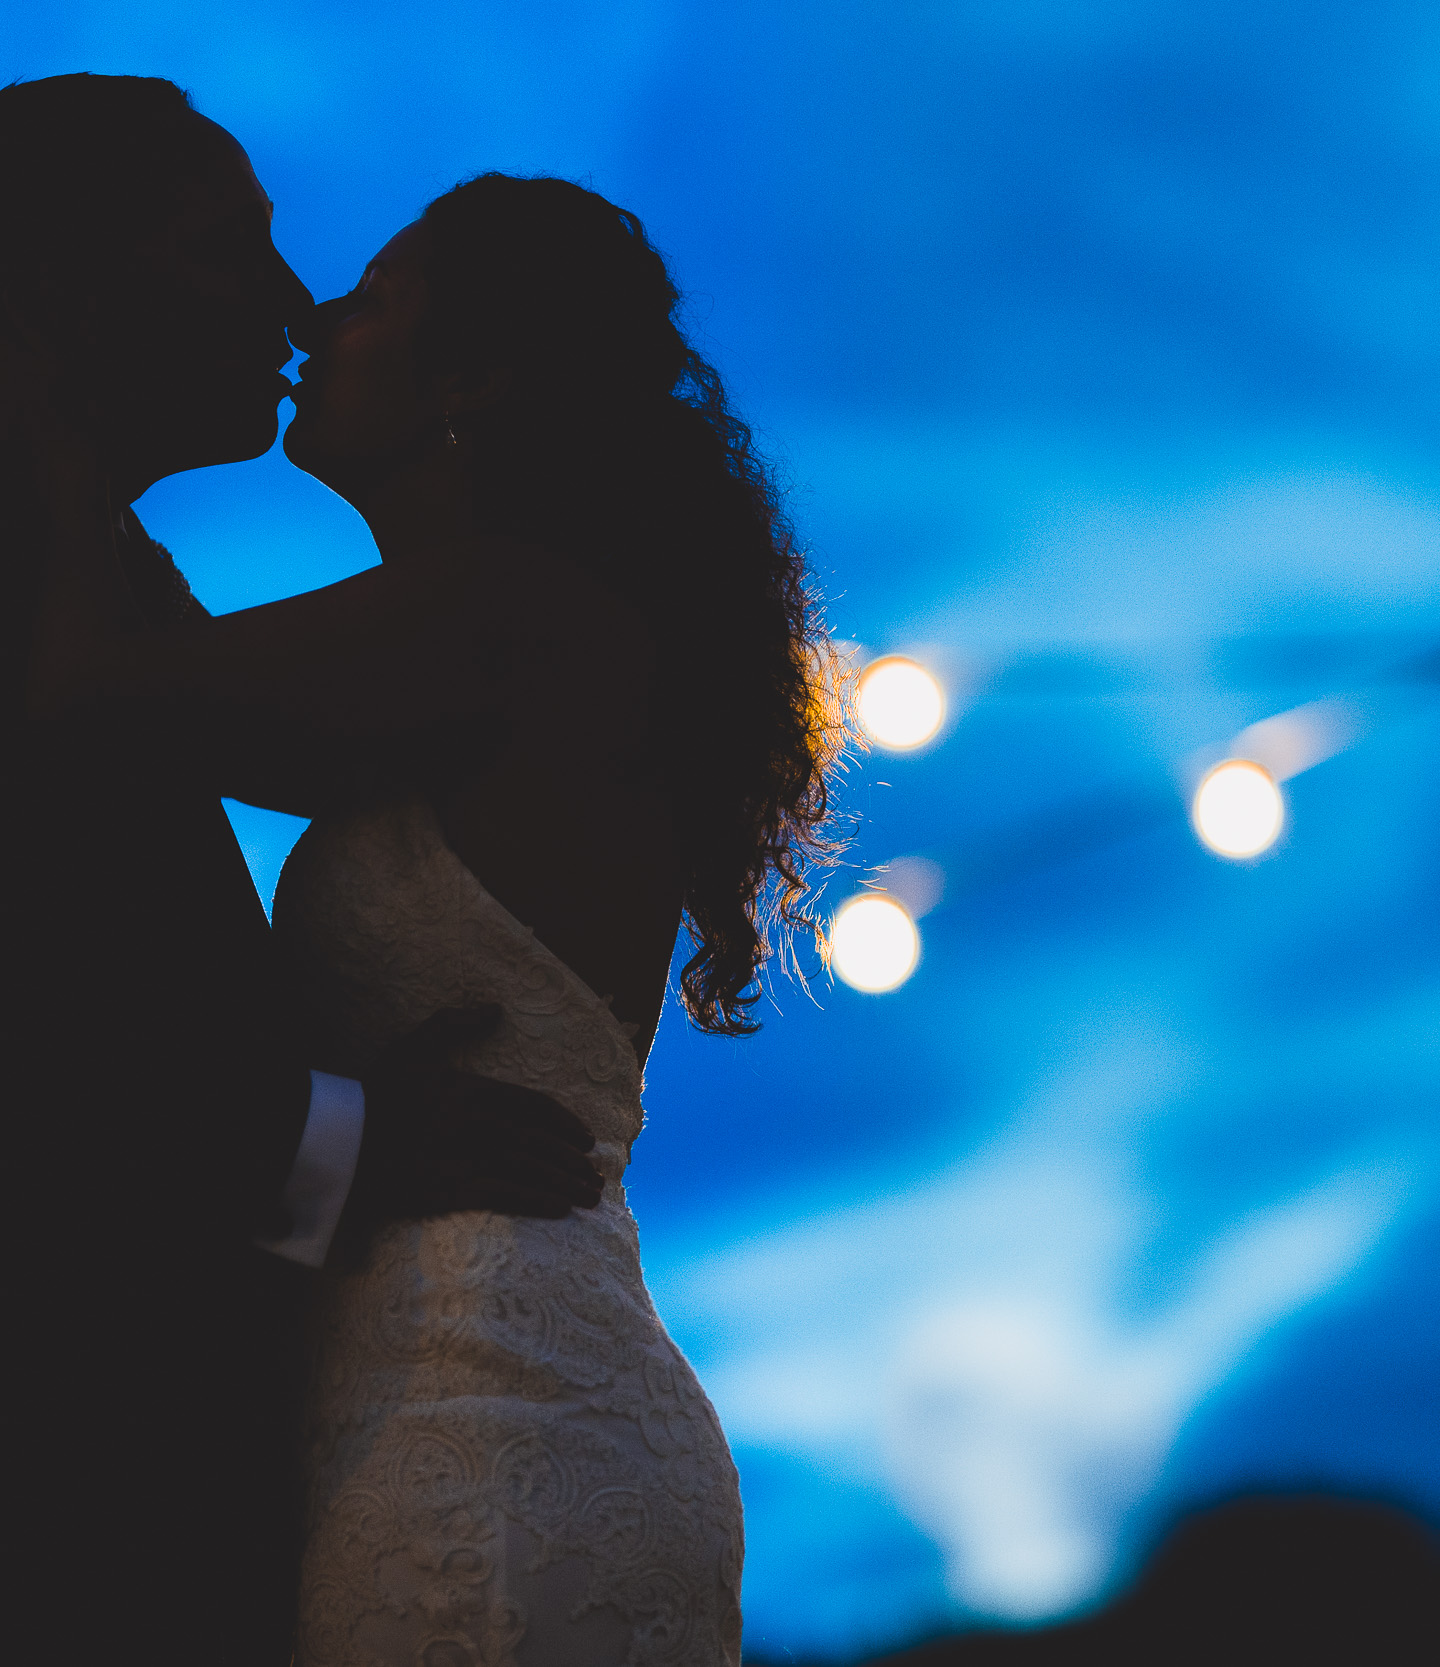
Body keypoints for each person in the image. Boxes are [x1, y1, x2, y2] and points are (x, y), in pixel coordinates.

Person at [26, 154, 841, 1660]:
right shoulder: (461, 648)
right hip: (470, 1386)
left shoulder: (505, 618)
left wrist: (47, 419)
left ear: (473, 371)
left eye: (375, 293)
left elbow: (88, 697)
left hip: (492, 1423)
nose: (316, 316)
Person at [1, 75, 603, 1663]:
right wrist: (331, 1143)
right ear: (56, 281)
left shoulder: (116, 578)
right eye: (226, 251)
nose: (290, 300)